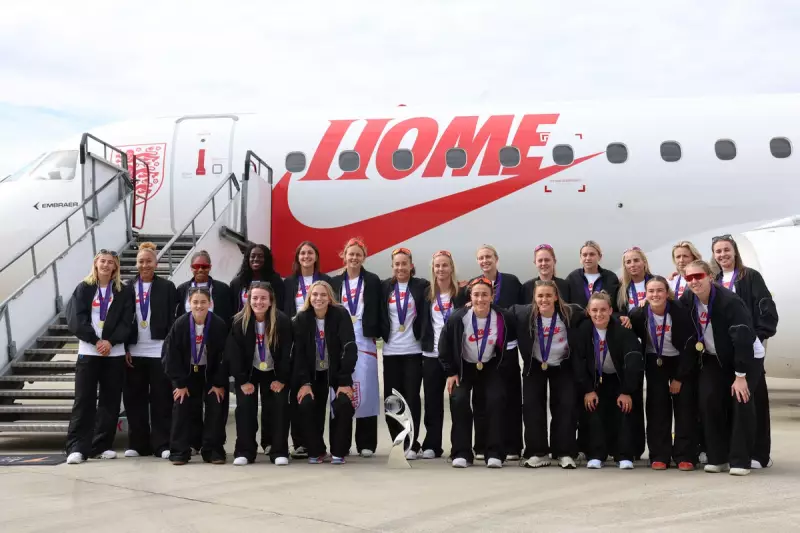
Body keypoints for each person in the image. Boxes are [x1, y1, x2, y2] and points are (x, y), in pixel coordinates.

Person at [680, 260, 757, 476]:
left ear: (710, 277)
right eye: (689, 278)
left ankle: (741, 460)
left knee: (740, 403)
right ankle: (718, 458)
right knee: (708, 402)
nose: (694, 281)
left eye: (698, 276)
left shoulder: (729, 301)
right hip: (713, 358)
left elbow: (743, 338)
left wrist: (740, 375)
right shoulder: (688, 299)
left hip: (743, 357)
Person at [711, 235, 778, 470]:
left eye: (726, 250)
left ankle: (759, 454)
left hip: (750, 349)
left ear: (735, 251)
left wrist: (758, 336)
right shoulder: (715, 280)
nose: (722, 255)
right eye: (718, 252)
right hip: (726, 351)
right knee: (731, 403)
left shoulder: (750, 277)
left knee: (752, 401)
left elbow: (766, 308)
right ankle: (734, 451)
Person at [65, 249, 134, 464]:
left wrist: (110, 342)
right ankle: (77, 447)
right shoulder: (84, 289)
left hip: (114, 353)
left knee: (110, 401)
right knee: (84, 399)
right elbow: (76, 319)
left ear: (115, 266)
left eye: (110, 262)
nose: (105, 265)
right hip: (89, 352)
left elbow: (127, 321)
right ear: (96, 264)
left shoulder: (123, 291)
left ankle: (101, 445)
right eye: (102, 261)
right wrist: (96, 341)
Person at [439, 276, 516, 468]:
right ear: (470, 297)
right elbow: (444, 346)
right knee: (459, 400)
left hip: (490, 365)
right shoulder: (458, 318)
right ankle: (461, 452)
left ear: (492, 297)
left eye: (485, 295)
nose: (480, 299)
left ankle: (495, 452)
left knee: (496, 399)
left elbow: (509, 347)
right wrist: (451, 372)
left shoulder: (503, 317)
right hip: (464, 367)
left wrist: (501, 371)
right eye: (476, 295)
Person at [509, 280, 583, 469]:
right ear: (534, 297)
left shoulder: (570, 313)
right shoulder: (523, 313)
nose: (544, 299)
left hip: (562, 365)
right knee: (533, 408)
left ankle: (564, 452)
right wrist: (471, 305)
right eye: (540, 295)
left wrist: (620, 318)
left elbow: (595, 312)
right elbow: (502, 314)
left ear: (556, 297)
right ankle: (537, 452)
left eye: (549, 295)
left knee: (565, 407)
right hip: (535, 366)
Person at [629, 276, 697, 471]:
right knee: (657, 408)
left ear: (667, 293)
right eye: (651, 291)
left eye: (659, 290)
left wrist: (679, 377)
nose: (655, 295)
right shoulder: (639, 314)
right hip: (655, 361)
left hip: (679, 361)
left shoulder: (680, 313)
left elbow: (689, 347)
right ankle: (659, 455)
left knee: (684, 409)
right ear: (645, 294)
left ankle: (685, 455)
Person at [465, 244, 523, 461]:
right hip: (483, 352)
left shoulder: (511, 281)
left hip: (507, 350)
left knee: (511, 398)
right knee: (482, 399)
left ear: (496, 258)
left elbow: (521, 311)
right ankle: (481, 445)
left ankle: (513, 446)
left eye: (488, 257)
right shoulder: (474, 284)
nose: (485, 261)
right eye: (481, 258)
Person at [122, 242, 179, 460]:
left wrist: (169, 347)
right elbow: (122, 318)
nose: (145, 265)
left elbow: (174, 320)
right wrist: (125, 345)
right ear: (136, 264)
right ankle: (138, 444)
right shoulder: (126, 287)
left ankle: (162, 444)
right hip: (133, 352)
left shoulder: (167, 287)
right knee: (134, 400)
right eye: (141, 261)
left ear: (156, 263)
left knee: (161, 400)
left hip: (158, 351)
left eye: (149, 261)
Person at [573, 292, 643, 469]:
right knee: (594, 411)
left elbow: (633, 362)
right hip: (595, 379)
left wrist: (626, 391)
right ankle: (597, 454)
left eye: (603, 310)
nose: (599, 314)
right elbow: (578, 362)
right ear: (588, 311)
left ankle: (624, 455)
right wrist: (588, 389)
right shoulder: (583, 331)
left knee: (624, 411)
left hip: (619, 379)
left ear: (611, 310)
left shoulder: (622, 330)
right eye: (594, 310)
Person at [292, 281, 358, 464]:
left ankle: (339, 450)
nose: (318, 298)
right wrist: (304, 383)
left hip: (337, 372)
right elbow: (298, 355)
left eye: (322, 295)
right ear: (309, 298)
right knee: (306, 404)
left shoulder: (340, 314)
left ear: (329, 297)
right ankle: (316, 450)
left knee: (344, 403)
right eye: (314, 295)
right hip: (312, 374)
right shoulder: (301, 319)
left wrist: (344, 381)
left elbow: (350, 347)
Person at [227, 281, 292, 466]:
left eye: (263, 298)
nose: (259, 302)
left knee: (279, 406)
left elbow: (288, 352)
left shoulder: (282, 321)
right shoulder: (239, 321)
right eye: (254, 298)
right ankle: (245, 450)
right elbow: (234, 354)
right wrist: (242, 380)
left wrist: (282, 379)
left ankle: (278, 450)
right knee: (245, 407)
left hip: (274, 371)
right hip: (250, 372)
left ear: (271, 301)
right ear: (248, 300)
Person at [163, 287, 229, 465]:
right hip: (186, 373)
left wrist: (218, 383)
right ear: (189, 304)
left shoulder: (218, 324)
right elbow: (171, 355)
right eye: (195, 302)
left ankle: (213, 450)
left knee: (216, 404)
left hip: (211, 374)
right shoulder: (181, 324)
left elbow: (225, 357)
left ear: (210, 303)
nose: (199, 306)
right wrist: (179, 383)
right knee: (182, 404)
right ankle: (179, 451)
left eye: (203, 302)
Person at [330, 238, 382, 458]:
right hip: (341, 342)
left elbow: (379, 308)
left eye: (358, 254)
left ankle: (366, 443)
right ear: (344, 255)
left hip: (365, 341)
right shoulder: (334, 282)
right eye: (350, 254)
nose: (354, 258)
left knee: (367, 392)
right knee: (339, 389)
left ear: (364, 257)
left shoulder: (372, 280)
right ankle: (339, 442)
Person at [283, 240, 332, 459]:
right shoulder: (289, 283)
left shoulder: (326, 281)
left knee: (318, 396)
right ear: (297, 257)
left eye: (310, 252)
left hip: (318, 341)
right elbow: (285, 310)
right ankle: (299, 442)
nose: (306, 256)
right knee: (298, 392)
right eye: (302, 253)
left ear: (316, 256)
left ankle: (316, 439)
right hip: (296, 339)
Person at [380, 247, 430, 460]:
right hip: (391, 351)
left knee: (411, 398)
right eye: (397, 264)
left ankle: (412, 442)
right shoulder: (384, 287)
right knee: (392, 399)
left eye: (404, 263)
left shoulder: (421, 286)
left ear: (411, 265)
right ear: (392, 267)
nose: (401, 267)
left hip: (413, 351)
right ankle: (398, 441)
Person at [420, 250, 459, 459]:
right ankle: (432, 445)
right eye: (437, 266)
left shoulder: (460, 293)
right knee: (433, 403)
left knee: (457, 402)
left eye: (445, 265)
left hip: (454, 357)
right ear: (433, 269)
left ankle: (458, 447)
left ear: (451, 267)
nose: (441, 269)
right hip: (431, 354)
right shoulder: (427, 294)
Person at [616, 246, 653, 461]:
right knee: (634, 398)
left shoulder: (656, 283)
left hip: (656, 347)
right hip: (632, 349)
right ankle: (635, 447)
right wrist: (623, 317)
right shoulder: (621, 288)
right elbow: (615, 311)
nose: (633, 265)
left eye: (636, 260)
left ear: (644, 262)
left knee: (657, 401)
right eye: (628, 262)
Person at [176, 250, 234, 327]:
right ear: (191, 268)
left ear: (210, 267)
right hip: (188, 336)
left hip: (214, 335)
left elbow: (228, 316)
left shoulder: (223, 289)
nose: (200, 270)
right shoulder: (182, 289)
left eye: (204, 267)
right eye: (196, 266)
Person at [565, 241, 621, 310]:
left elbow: (616, 306)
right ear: (580, 257)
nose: (588, 258)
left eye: (592, 254)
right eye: (584, 255)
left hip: (604, 319)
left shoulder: (611, 277)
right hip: (581, 320)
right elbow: (566, 305)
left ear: (600, 256)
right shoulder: (572, 278)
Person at [230, 243, 285, 313]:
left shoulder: (276, 282)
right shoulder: (237, 283)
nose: (256, 259)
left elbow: (279, 308)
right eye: (252, 256)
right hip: (243, 322)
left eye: (260, 256)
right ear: (248, 259)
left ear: (266, 259)